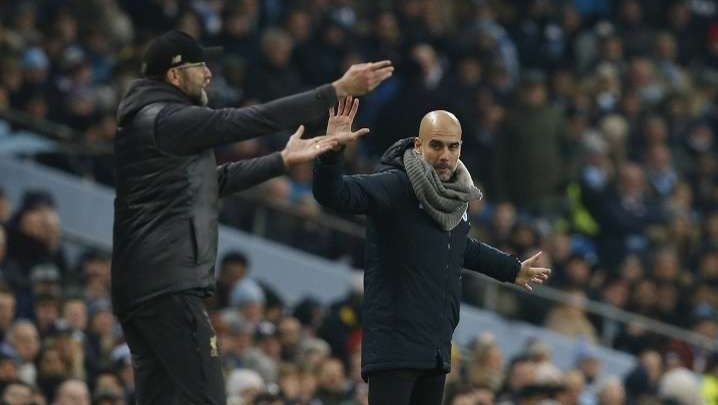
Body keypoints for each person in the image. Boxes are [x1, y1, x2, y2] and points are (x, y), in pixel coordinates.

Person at [111, 30, 392, 405]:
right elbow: (249, 120)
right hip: (167, 284)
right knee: (208, 397)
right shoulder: (167, 119)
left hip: (144, 286)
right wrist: (336, 90)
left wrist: (282, 160)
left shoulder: (150, 122)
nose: (209, 74)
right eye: (199, 66)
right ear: (174, 76)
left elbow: (213, 181)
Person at [313, 98, 551, 405]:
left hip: (435, 349)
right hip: (395, 347)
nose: (445, 155)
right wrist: (332, 152)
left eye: (453, 147)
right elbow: (334, 194)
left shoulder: (454, 197)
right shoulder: (394, 186)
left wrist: (511, 269)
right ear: (418, 145)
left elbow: (460, 246)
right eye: (436, 145)